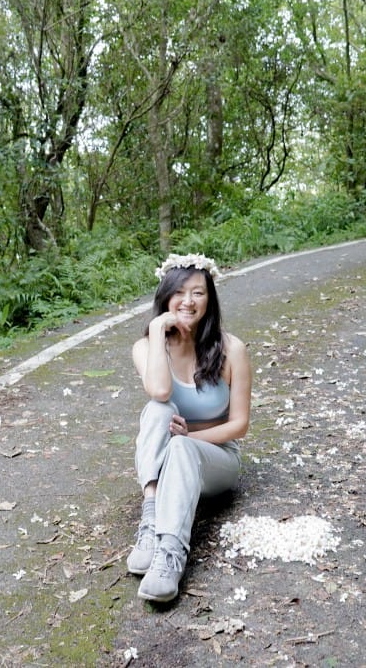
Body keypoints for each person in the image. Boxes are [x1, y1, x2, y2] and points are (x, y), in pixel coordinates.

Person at [127, 253, 252, 602]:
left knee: (181, 446)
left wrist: (190, 438)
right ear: (165, 297)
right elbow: (161, 391)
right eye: (179, 292)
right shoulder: (147, 347)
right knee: (156, 410)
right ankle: (151, 520)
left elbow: (239, 425)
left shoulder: (232, 349)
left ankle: (171, 555)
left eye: (198, 292)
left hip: (216, 460)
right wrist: (156, 330)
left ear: (209, 300)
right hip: (168, 462)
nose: (188, 301)